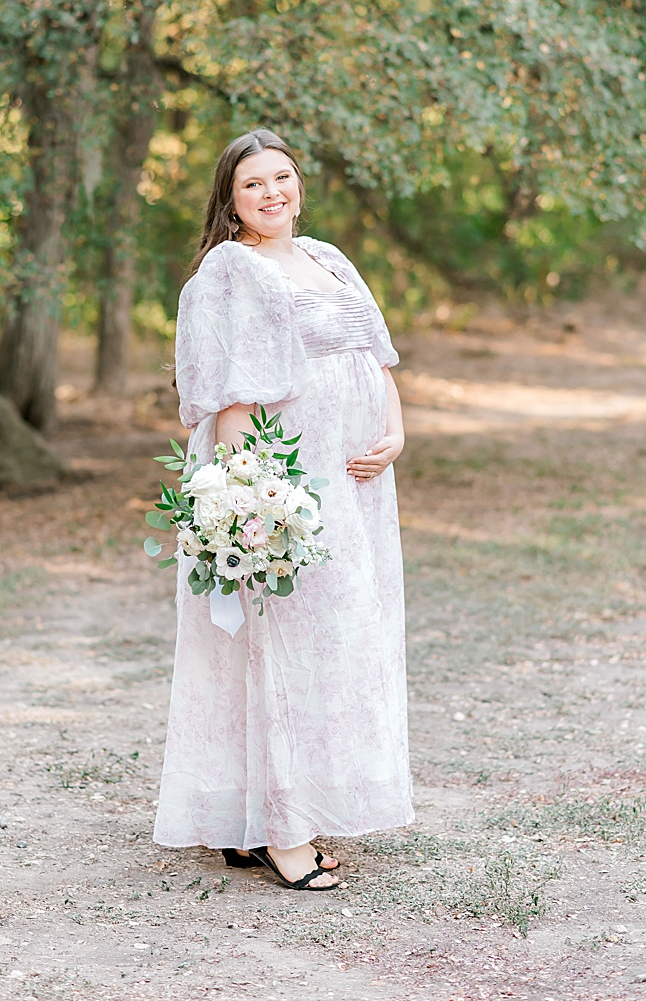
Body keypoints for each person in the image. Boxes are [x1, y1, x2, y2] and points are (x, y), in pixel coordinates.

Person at [154, 128, 412, 890]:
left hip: (357, 482)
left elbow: (375, 357)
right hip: (289, 483)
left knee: (339, 643)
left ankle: (263, 817)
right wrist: (250, 503)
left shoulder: (329, 260)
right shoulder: (230, 272)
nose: (272, 193)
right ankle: (282, 830)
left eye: (282, 178)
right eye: (253, 185)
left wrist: (394, 431)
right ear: (230, 202)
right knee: (283, 647)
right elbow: (230, 401)